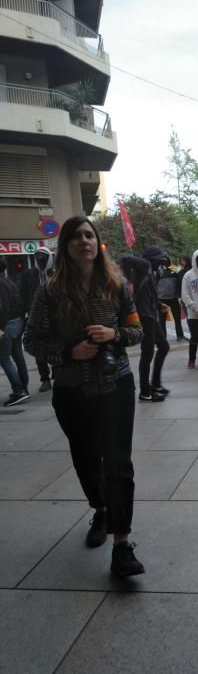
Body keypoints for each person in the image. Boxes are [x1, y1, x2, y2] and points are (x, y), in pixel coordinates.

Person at [24, 216, 145, 578]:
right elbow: (32, 341)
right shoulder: (49, 291)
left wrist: (114, 335)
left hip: (116, 386)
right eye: (76, 237)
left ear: (98, 243)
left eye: (89, 235)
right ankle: (100, 508)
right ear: (66, 247)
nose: (84, 241)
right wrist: (67, 353)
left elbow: (137, 329)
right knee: (87, 460)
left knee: (119, 464)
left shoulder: (117, 285)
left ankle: (122, 544)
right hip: (72, 391)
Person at [120, 247, 170, 402]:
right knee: (147, 353)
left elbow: (148, 293)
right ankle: (145, 391)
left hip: (149, 314)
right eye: (160, 260)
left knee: (163, 346)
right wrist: (128, 280)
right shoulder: (145, 266)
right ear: (153, 259)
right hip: (144, 316)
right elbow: (125, 259)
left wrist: (158, 304)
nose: (162, 264)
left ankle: (155, 383)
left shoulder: (149, 273)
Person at [19, 247, 54, 391]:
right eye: (37, 257)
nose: (40, 260)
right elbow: (23, 294)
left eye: (43, 257)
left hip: (55, 316)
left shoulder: (57, 273)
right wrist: (26, 312)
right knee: (39, 349)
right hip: (35, 316)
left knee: (56, 346)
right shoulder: (28, 275)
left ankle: (58, 374)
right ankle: (44, 378)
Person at [0, 257, 29, 406]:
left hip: (7, 325)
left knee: (4, 358)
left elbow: (2, 307)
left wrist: (1, 327)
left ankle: (19, 390)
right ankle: (23, 388)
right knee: (17, 356)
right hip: (17, 322)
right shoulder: (8, 282)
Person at [157, 256, 187, 342]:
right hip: (162, 299)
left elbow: (181, 281)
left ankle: (180, 335)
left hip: (174, 298)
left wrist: (179, 295)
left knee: (177, 319)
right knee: (162, 321)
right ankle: (163, 337)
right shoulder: (159, 270)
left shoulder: (175, 269)